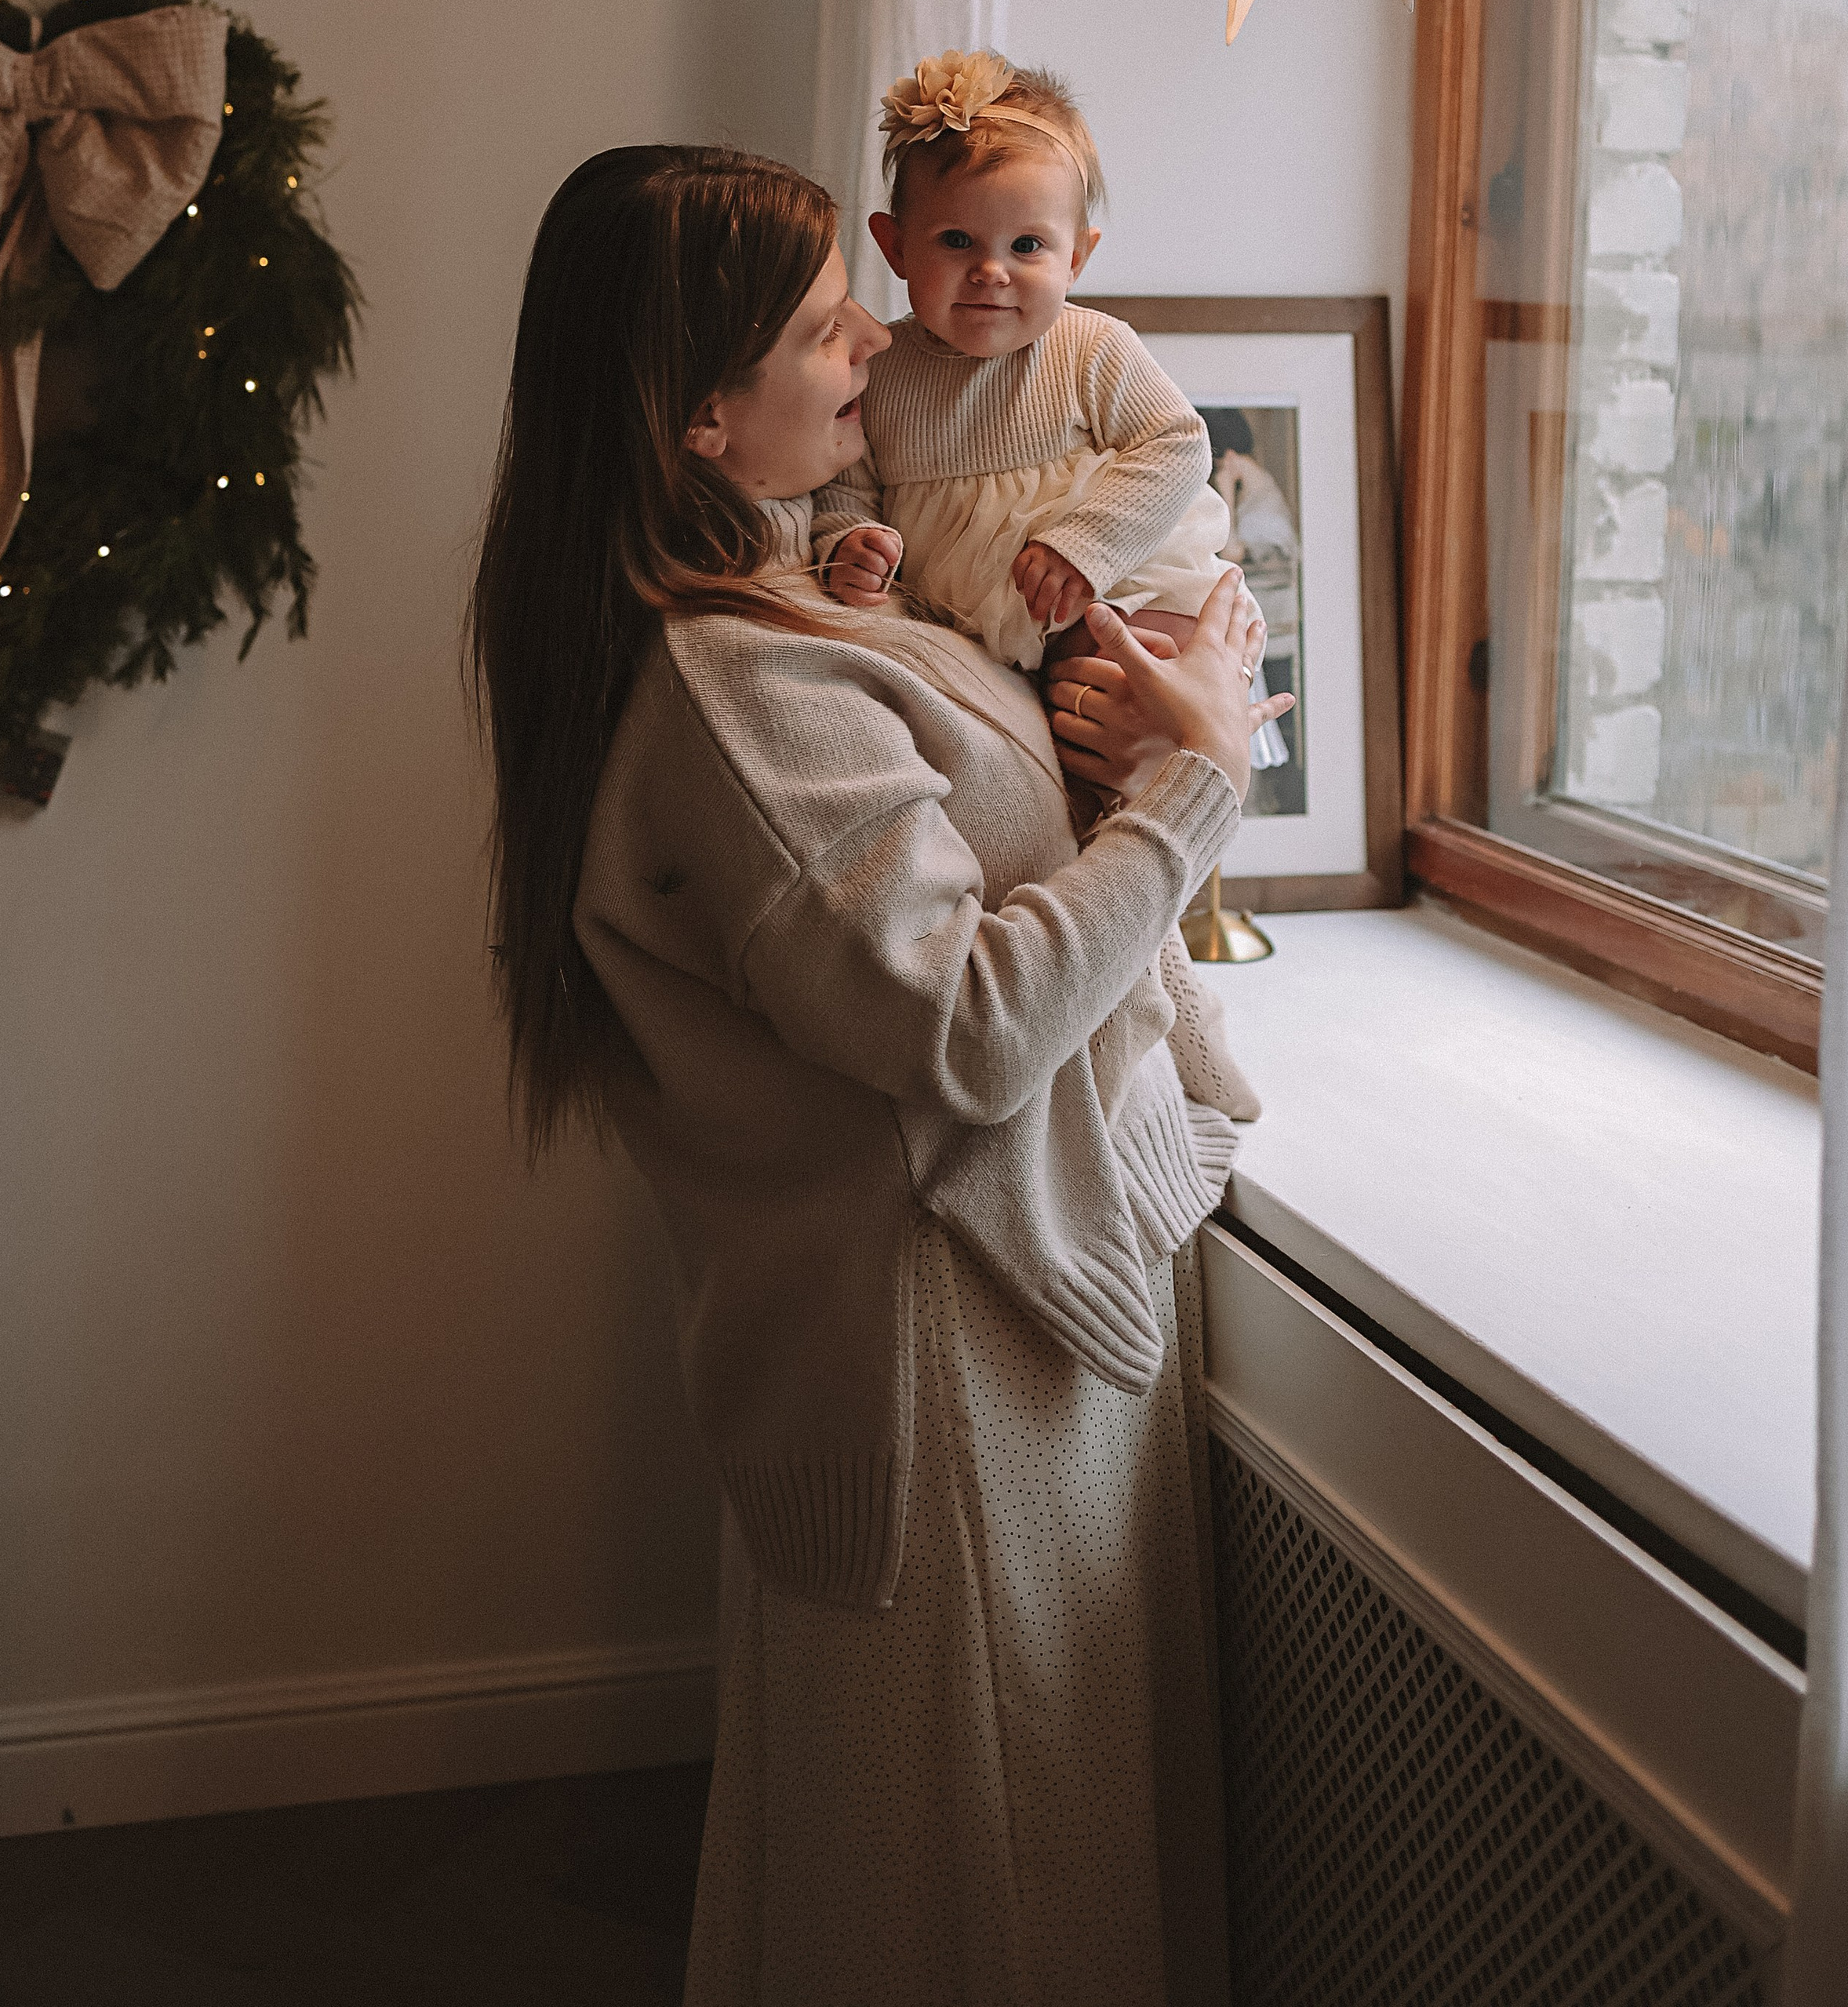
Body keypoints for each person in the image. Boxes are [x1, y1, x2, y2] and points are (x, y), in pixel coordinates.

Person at [467, 144, 1288, 2007]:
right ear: (699, 415)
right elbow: (962, 1028)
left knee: (1008, 1872)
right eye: (822, 324)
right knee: (994, 1901)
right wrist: (1191, 791)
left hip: (994, 1318)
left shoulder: (814, 603)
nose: (872, 339)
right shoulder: (741, 690)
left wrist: (1124, 728)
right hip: (947, 1354)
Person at [811, 48, 1285, 1118]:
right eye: (957, 243)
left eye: (1028, 246)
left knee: (1130, 768)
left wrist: (1087, 545)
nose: (993, 272)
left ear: (1081, 253)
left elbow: (1175, 446)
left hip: (1117, 592)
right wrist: (854, 547)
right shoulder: (885, 377)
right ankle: (1136, 1015)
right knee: (1057, 834)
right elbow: (847, 490)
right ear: (893, 245)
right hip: (985, 632)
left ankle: (1186, 1017)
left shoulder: (1089, 349)